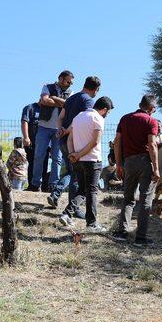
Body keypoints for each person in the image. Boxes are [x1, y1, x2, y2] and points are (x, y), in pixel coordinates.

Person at [111, 94, 160, 247]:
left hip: (129, 162)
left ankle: (122, 232)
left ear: (140, 104)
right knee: (146, 200)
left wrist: (119, 164)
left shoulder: (125, 119)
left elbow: (117, 142)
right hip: (145, 162)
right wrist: (156, 168)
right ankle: (140, 238)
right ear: (152, 109)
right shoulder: (151, 121)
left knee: (128, 199)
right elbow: (152, 145)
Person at [59, 96, 114, 233]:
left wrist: (73, 153)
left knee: (82, 190)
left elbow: (70, 138)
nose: (108, 115)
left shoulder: (78, 117)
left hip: (77, 160)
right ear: (104, 109)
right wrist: (78, 154)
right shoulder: (98, 119)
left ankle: (67, 213)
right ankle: (92, 224)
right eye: (109, 112)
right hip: (92, 160)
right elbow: (95, 142)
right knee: (92, 191)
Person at [48, 76, 101, 214]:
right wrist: (67, 130)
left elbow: (60, 118)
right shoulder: (88, 101)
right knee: (77, 176)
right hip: (75, 141)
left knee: (71, 172)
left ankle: (56, 195)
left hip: (63, 141)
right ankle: (74, 209)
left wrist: (61, 129)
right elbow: (83, 119)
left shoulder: (71, 98)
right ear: (96, 89)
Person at [31, 70, 74, 192]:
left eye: (71, 83)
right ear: (60, 79)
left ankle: (53, 185)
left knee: (57, 158)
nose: (70, 85)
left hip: (59, 129)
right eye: (68, 81)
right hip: (43, 127)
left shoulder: (71, 92)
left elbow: (68, 105)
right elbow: (44, 100)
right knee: (39, 155)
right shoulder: (47, 87)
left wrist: (54, 98)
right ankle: (35, 183)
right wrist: (61, 103)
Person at [21, 102, 49, 191]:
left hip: (45, 143)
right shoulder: (30, 108)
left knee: (44, 164)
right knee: (32, 163)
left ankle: (44, 186)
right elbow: (24, 122)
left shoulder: (50, 109)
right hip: (32, 142)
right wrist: (26, 137)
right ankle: (32, 186)